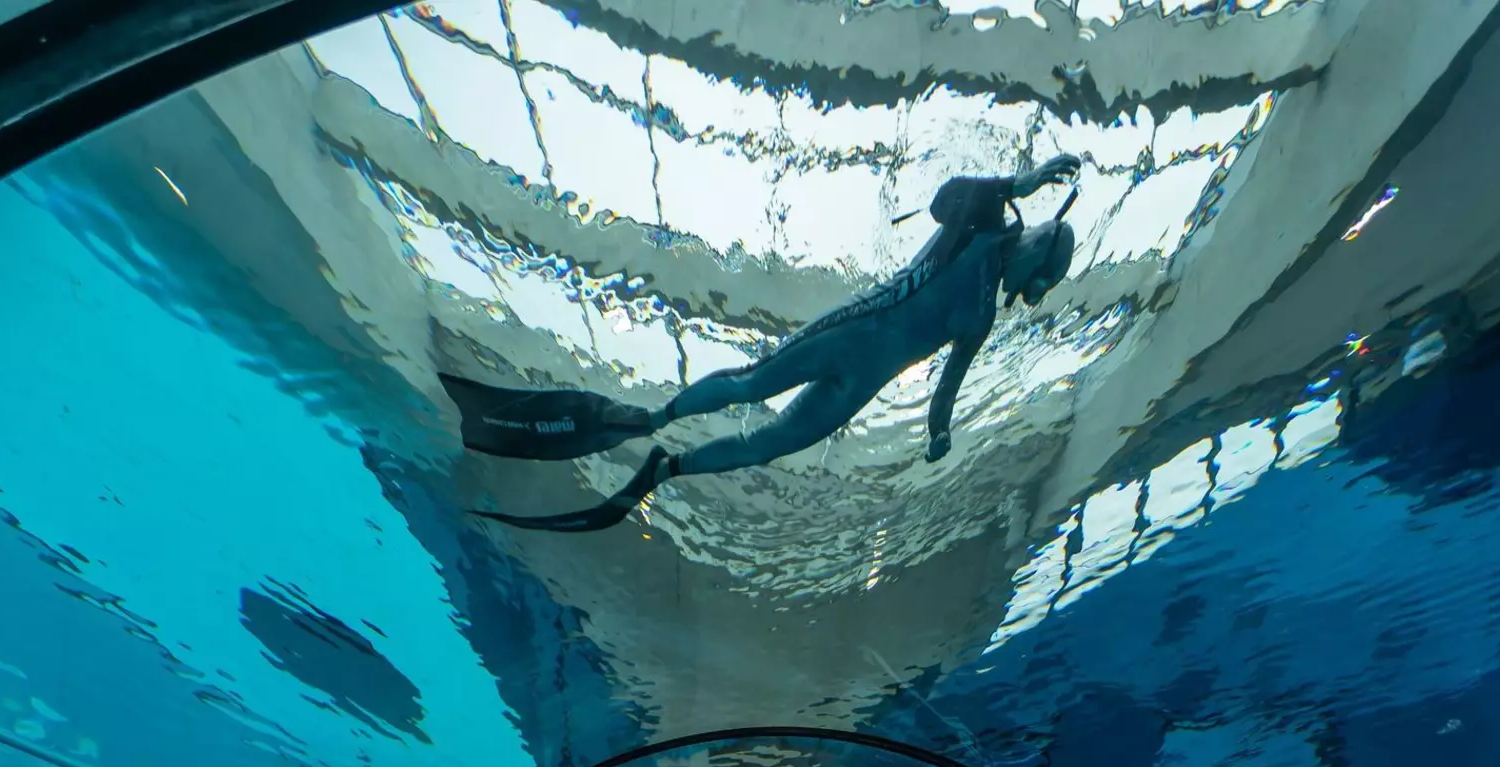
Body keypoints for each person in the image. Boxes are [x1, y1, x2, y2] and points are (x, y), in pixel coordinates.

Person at [443, 154, 1084, 531]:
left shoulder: (980, 319)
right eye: (1044, 280)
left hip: (865, 379)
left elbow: (948, 383)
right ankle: (650, 419)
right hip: (852, 328)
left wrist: (937, 431)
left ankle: (666, 467)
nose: (1035, 293)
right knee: (753, 382)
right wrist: (1021, 182)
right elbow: (947, 198)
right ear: (1044, 245)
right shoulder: (984, 221)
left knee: (772, 443)